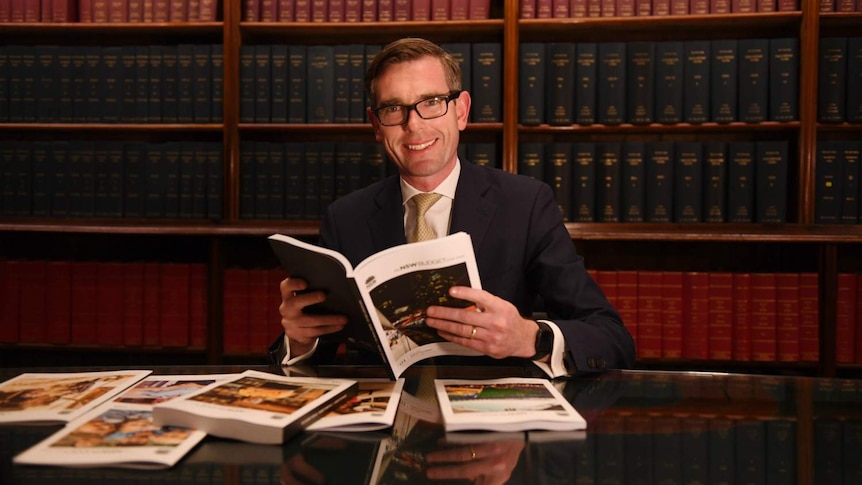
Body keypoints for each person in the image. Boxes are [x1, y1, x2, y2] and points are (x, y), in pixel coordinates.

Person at [269, 37, 635, 377]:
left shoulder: (525, 204)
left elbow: (611, 338)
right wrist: (300, 341)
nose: (414, 125)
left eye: (431, 102)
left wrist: (530, 337)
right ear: (377, 125)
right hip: (384, 426)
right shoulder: (344, 218)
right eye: (394, 108)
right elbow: (316, 359)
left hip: (489, 430)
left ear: (461, 111)